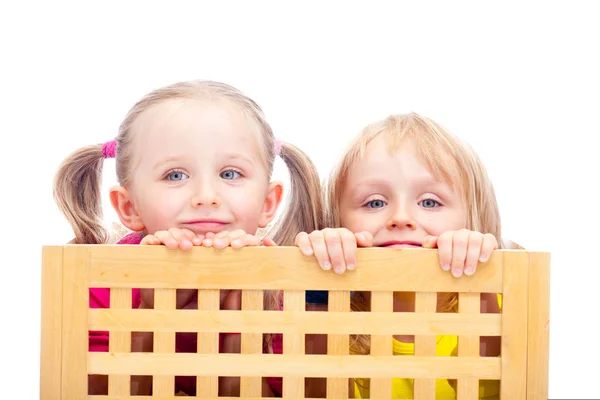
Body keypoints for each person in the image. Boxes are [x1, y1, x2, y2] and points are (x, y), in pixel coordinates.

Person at [53, 80, 324, 396]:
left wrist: (241, 324)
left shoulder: (287, 294)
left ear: (268, 204)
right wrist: (154, 319)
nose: (206, 197)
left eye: (230, 174)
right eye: (175, 175)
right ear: (129, 207)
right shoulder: (100, 288)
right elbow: (91, 391)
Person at [295, 112, 503, 399]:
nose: (401, 218)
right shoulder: (337, 309)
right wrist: (319, 276)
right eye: (375, 202)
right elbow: (316, 391)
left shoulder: (496, 302)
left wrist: (481, 278)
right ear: (337, 221)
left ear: (471, 221)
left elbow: (493, 387)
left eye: (429, 202)